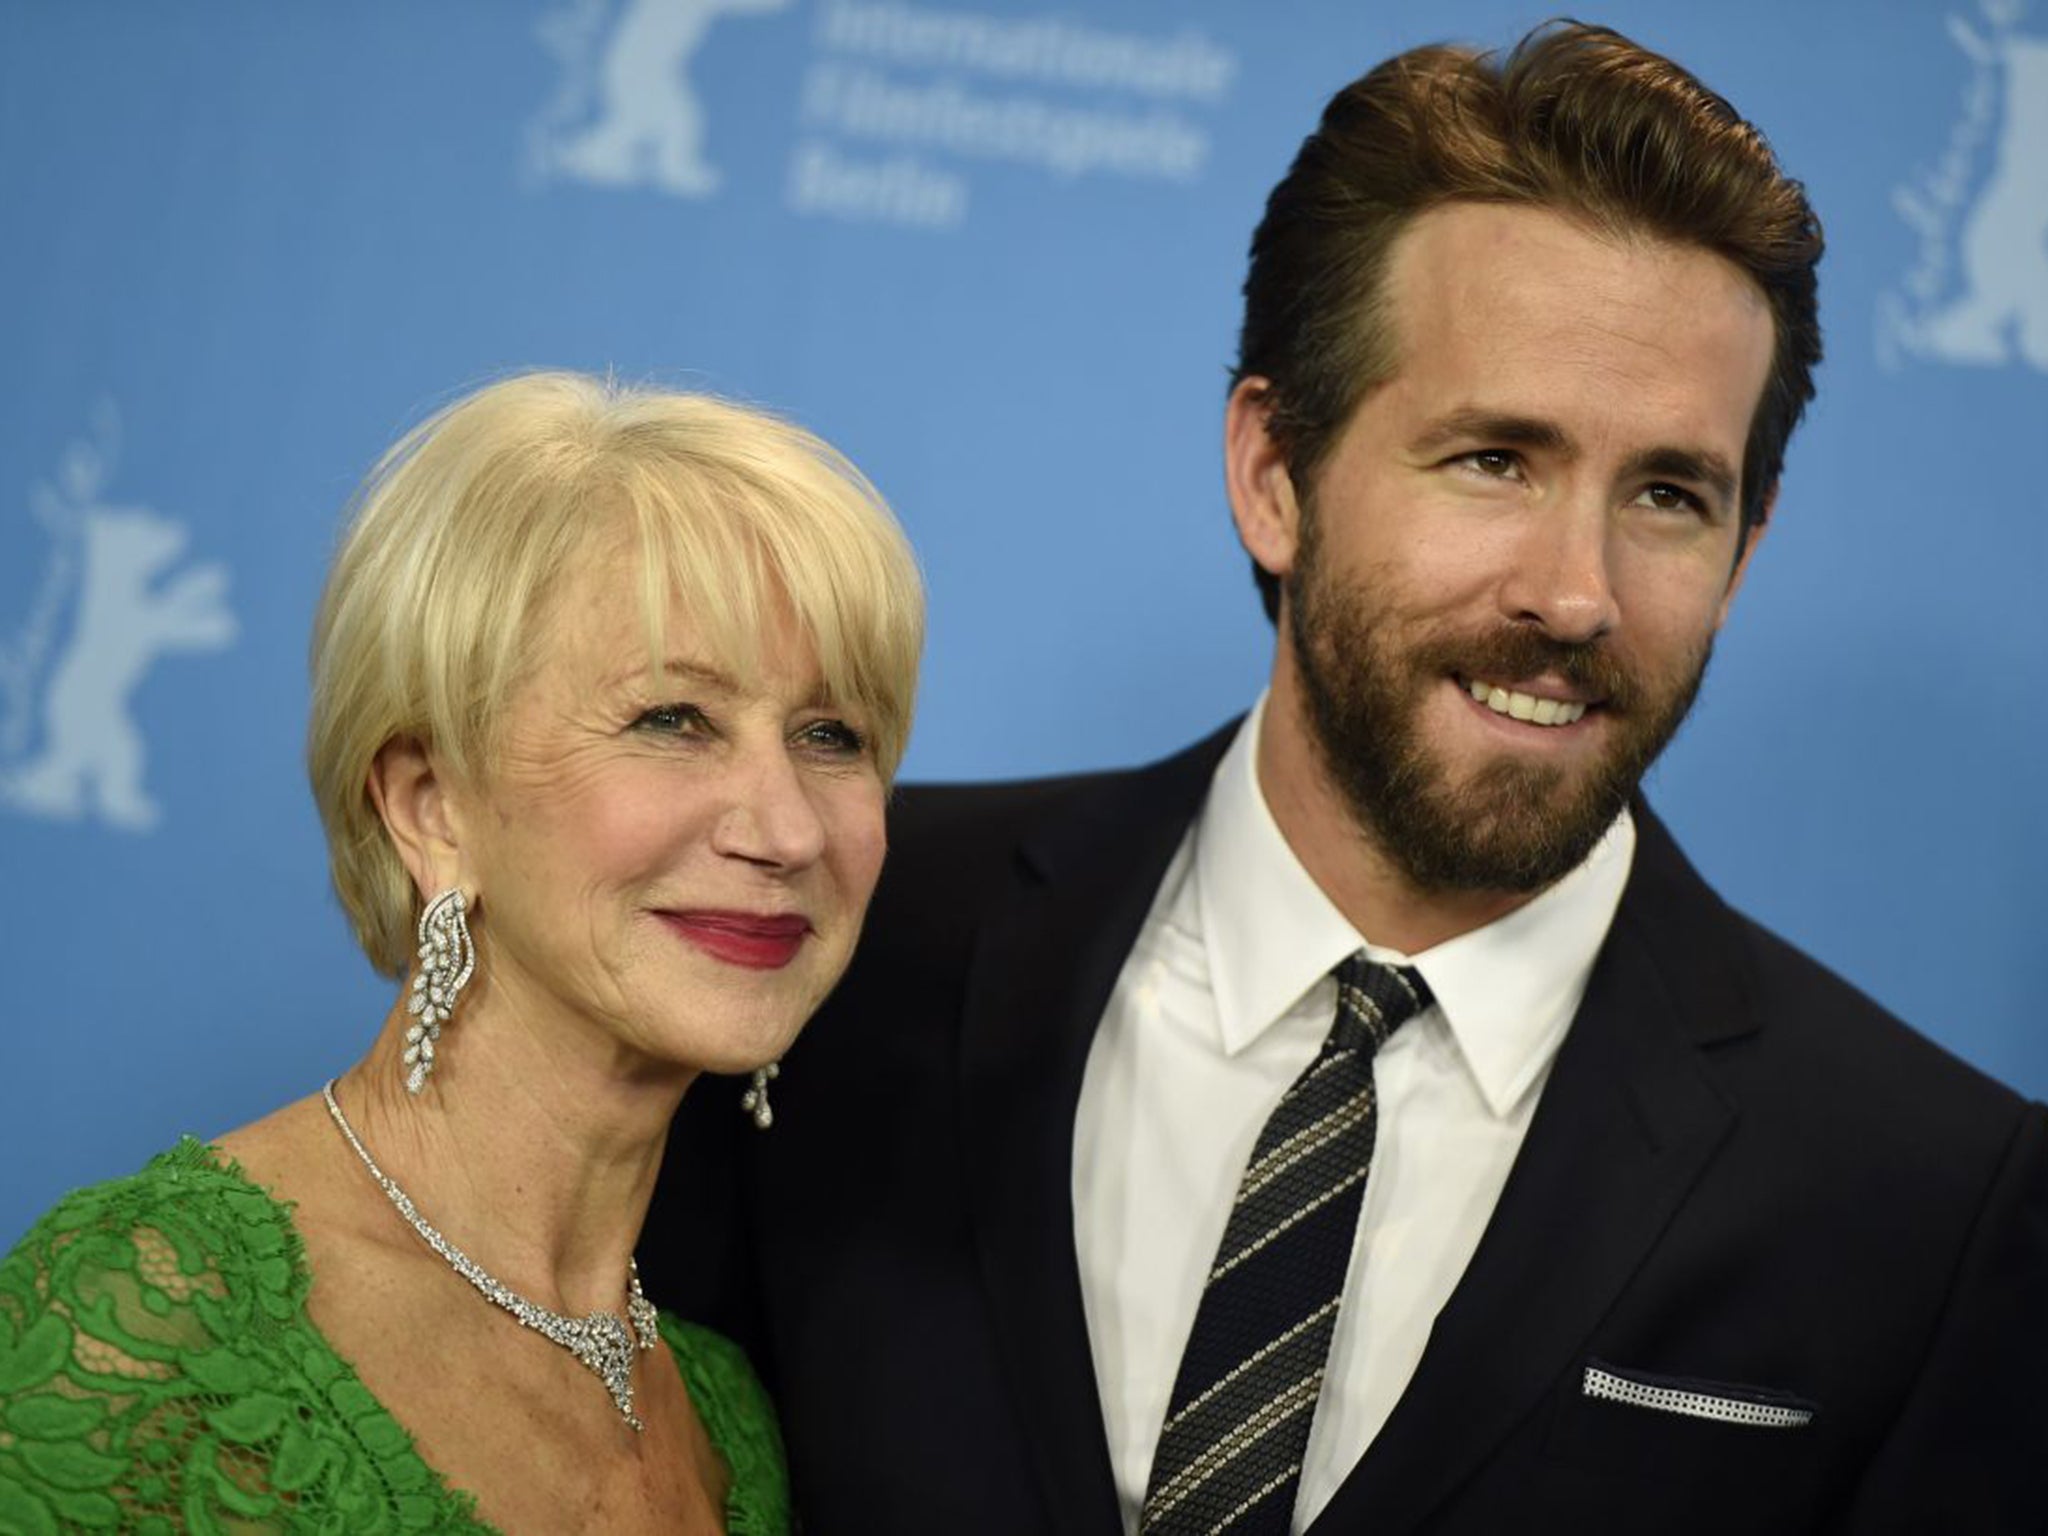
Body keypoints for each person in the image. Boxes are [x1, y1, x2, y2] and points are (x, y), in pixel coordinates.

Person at [644, 22, 2048, 1535]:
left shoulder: (1926, 1199)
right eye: (1494, 459)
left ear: (1744, 550)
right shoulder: (845, 936)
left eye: (1666, 494)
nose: (1575, 595)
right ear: (1273, 474)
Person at [0, 370, 923, 1533]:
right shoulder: (151, 1319)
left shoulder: (727, 1414)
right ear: (431, 806)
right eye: (672, 720)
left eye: (830, 736)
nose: (785, 828)